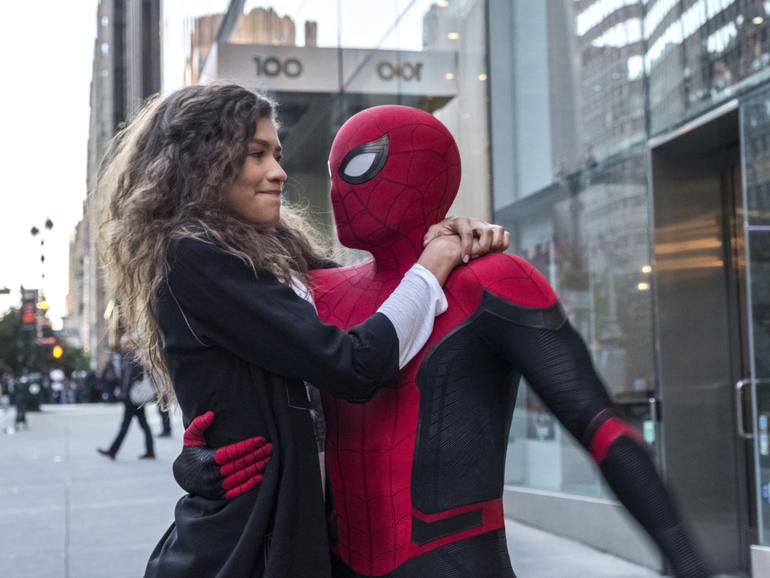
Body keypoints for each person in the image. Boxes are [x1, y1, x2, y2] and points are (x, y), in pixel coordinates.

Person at [178, 105, 711, 577]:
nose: (338, 187)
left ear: (427, 170)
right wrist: (201, 461)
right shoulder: (311, 289)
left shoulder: (489, 280)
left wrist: (686, 557)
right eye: (333, 171)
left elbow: (599, 425)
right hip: (328, 560)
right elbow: (235, 380)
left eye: (359, 165)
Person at [97, 83, 508, 578]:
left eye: (278, 153)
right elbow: (353, 362)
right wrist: (433, 262)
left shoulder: (272, 248)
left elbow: (374, 300)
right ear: (203, 163)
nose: (279, 172)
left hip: (309, 533)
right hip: (246, 549)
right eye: (256, 154)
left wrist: (446, 239)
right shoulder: (195, 256)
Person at [97, 334, 155, 460]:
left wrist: (125, 394)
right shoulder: (134, 356)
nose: (123, 345)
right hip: (134, 397)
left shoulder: (131, 357)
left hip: (131, 397)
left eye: (126, 343)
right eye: (122, 343)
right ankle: (150, 451)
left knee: (125, 426)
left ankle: (113, 451)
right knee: (143, 424)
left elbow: (128, 379)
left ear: (132, 343)